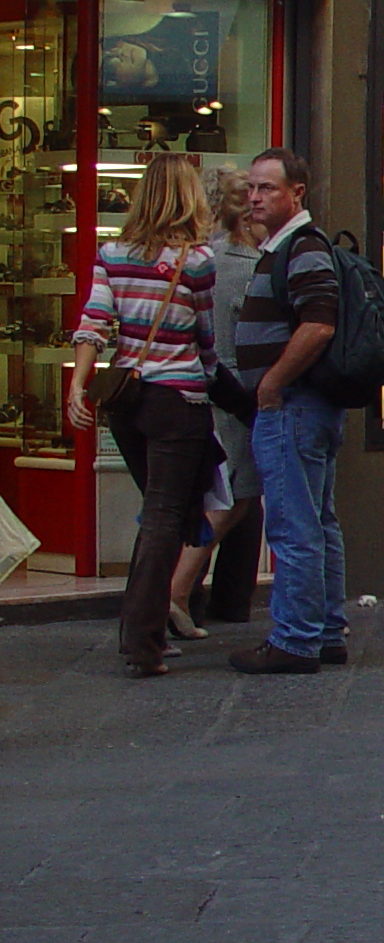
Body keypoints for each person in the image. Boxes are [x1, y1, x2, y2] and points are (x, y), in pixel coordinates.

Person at [66, 155, 218, 677]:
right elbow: (205, 338)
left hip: (127, 403)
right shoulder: (196, 261)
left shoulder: (112, 253)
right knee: (164, 519)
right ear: (188, 196)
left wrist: (78, 386)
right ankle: (142, 641)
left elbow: (93, 322)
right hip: (179, 401)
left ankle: (142, 629)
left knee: (156, 515)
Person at [230, 149, 347, 673]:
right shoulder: (283, 247)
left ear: (296, 193)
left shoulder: (301, 247)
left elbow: (318, 323)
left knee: (294, 525)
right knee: (317, 522)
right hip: (302, 406)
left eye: (267, 189)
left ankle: (297, 639)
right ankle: (323, 631)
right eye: (252, 188)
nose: (255, 198)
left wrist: (272, 384)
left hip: (294, 407)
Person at [169, 168, 263, 631]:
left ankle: (180, 594)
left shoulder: (198, 256)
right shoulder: (243, 265)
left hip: (199, 389)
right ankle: (177, 593)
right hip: (234, 393)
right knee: (235, 499)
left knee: (217, 497)